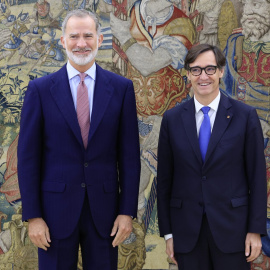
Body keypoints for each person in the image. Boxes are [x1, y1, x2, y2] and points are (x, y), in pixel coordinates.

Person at [17, 9, 140, 270]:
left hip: (105, 215)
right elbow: (28, 159)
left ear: (99, 40)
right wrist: (34, 216)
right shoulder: (39, 90)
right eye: (74, 36)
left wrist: (127, 212)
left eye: (87, 36)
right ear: (63, 41)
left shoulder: (121, 89)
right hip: (53, 214)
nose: (81, 43)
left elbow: (129, 158)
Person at [157, 44, 267, 270]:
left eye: (209, 69)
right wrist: (168, 233)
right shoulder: (172, 119)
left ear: (220, 72)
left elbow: (257, 178)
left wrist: (255, 230)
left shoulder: (245, 117)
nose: (203, 76)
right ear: (188, 74)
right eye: (196, 70)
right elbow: (165, 181)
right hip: (186, 233)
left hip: (233, 231)